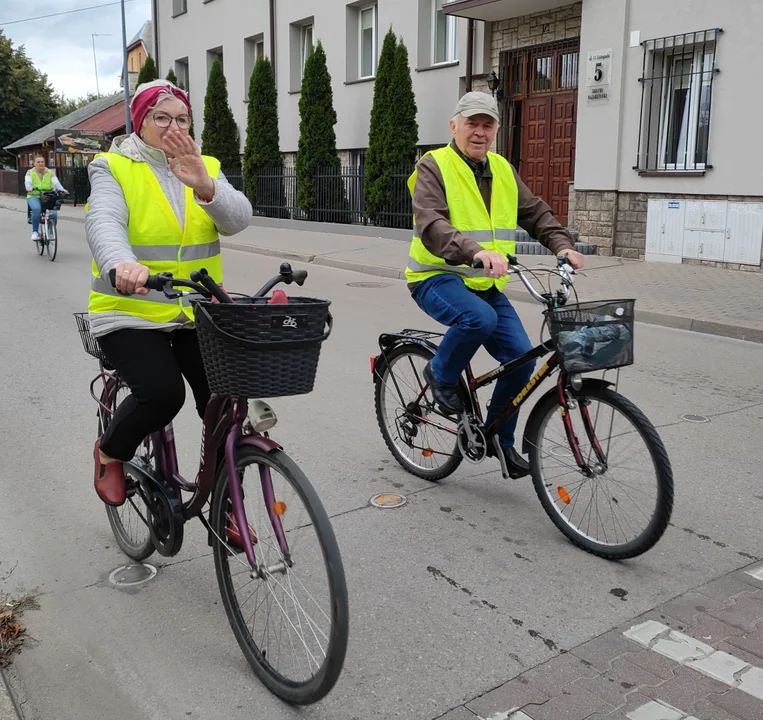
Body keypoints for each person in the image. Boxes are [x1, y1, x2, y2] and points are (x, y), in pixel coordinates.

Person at [85, 79, 252, 506]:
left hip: (194, 311)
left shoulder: (205, 165)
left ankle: (228, 506)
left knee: (227, 404)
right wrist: (119, 262)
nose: (173, 125)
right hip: (130, 310)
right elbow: (103, 222)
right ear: (141, 122)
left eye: (181, 118)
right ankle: (110, 451)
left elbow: (238, 220)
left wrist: (206, 186)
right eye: (161, 117)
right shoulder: (113, 167)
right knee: (162, 393)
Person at [406, 91, 585, 478]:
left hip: (483, 282)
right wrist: (474, 251)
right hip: (436, 276)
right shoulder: (433, 166)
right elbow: (432, 225)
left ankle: (499, 441)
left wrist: (563, 245)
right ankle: (440, 374)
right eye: (472, 123)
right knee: (478, 320)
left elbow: (535, 213)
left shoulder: (502, 168)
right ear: (454, 125)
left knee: (523, 358)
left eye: (488, 125)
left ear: (496, 131)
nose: (480, 132)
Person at [25, 155, 68, 240]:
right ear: (34, 163)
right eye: (38, 162)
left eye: (42, 162)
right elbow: (28, 182)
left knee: (54, 213)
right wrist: (29, 188)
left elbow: (56, 183)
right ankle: (35, 232)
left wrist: (62, 189)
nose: (40, 163)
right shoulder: (30, 172)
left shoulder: (49, 172)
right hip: (34, 195)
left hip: (48, 195)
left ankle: (50, 231)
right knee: (37, 209)